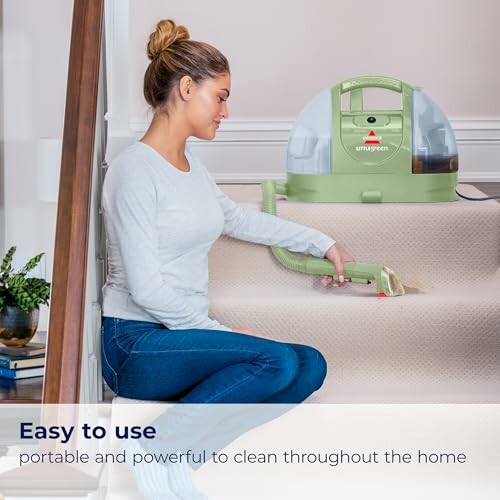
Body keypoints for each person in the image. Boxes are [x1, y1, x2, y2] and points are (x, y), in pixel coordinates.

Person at [101, 19, 355, 499]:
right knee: (273, 360)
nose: (226, 111)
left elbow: (238, 220)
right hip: (134, 343)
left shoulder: (190, 168)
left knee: (309, 365)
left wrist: (321, 241)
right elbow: (146, 290)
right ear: (186, 87)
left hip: (179, 336)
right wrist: (222, 332)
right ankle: (156, 450)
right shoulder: (135, 171)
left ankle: (176, 458)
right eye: (220, 97)